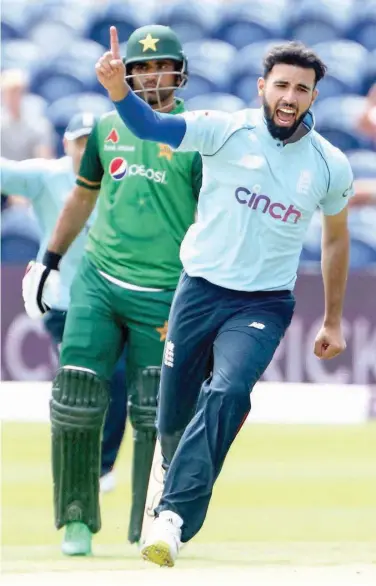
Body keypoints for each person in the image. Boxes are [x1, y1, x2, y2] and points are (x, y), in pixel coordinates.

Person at [94, 30, 354, 567]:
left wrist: (332, 319)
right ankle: (174, 492)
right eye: (281, 85)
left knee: (230, 390)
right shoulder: (224, 130)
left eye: (301, 90)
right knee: (172, 425)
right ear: (262, 86)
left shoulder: (330, 165)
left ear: (313, 97)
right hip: (198, 291)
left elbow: (335, 241)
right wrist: (121, 93)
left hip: (261, 304)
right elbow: (152, 125)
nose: (289, 97)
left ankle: (171, 519)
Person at [22, 25, 202, 555]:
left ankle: (149, 523)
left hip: (164, 290)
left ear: (178, 71)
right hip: (97, 282)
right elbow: (81, 198)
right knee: (75, 396)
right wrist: (49, 263)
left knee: (155, 409)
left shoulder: (197, 135)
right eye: (140, 68)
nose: (150, 76)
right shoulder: (105, 127)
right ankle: (75, 520)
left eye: (159, 66)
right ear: (126, 74)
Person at [1, 113, 128, 493]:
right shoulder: (46, 177)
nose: (87, 149)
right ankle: (79, 460)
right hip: (63, 301)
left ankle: (102, 466)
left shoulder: (123, 176)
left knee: (120, 380)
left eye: (95, 141)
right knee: (81, 382)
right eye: (80, 142)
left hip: (117, 299)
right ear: (66, 145)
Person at [1, 69, 55, 161]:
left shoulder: (39, 124)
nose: (12, 97)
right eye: (7, 92)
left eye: (17, 91)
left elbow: (45, 160)